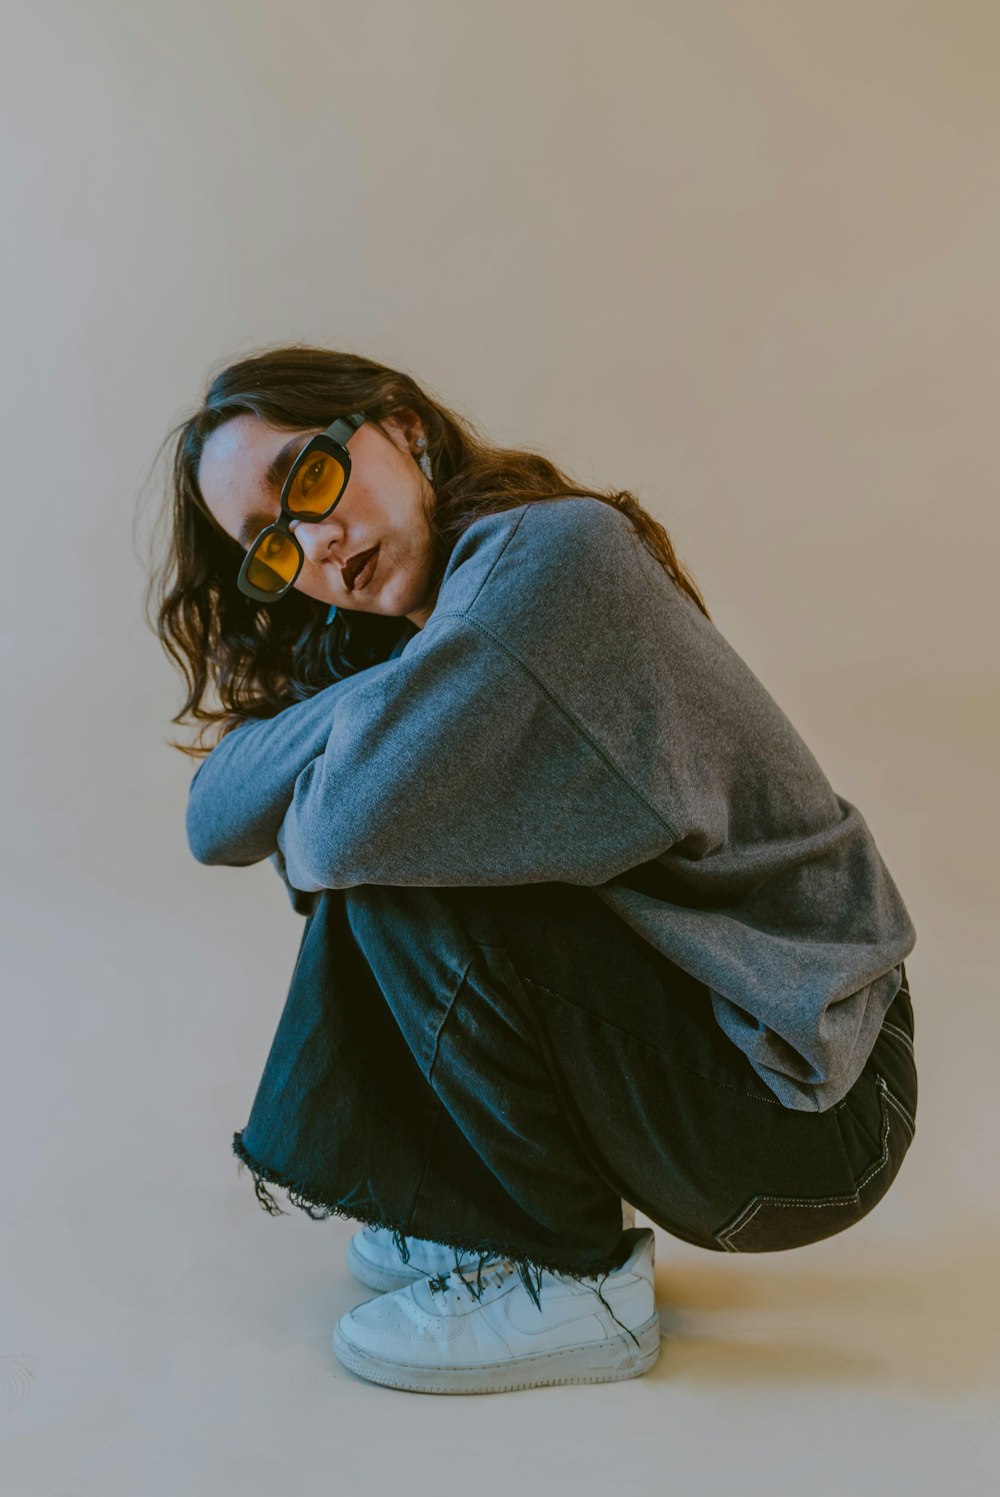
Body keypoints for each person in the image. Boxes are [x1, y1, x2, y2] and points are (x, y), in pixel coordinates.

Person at [148, 344, 918, 1396]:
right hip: (740, 1051)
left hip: (811, 1097)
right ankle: (492, 1218)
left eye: (309, 479)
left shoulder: (547, 561)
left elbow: (332, 840)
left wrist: (354, 739)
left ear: (400, 426)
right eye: (271, 545)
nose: (317, 543)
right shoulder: (432, 628)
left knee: (395, 860)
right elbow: (212, 814)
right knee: (413, 834)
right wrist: (371, 700)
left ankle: (570, 1277)